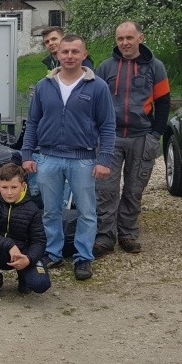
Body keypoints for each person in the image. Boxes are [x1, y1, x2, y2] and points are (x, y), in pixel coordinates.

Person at [21, 34, 115, 281]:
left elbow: (107, 125)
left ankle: (83, 258)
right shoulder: (44, 86)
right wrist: (27, 154)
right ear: (57, 55)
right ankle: (53, 253)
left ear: (84, 55)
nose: (70, 56)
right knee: (50, 210)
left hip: (82, 159)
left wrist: (104, 159)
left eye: (75, 52)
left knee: (86, 211)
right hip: (48, 158)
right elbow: (32, 122)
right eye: (65, 52)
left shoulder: (97, 87)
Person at [94, 21, 171, 256]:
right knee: (105, 190)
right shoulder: (105, 68)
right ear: (116, 41)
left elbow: (164, 102)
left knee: (134, 188)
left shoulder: (155, 67)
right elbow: (93, 101)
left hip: (141, 137)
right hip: (110, 138)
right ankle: (104, 236)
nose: (125, 43)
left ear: (141, 38)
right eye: (120, 39)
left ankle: (127, 234)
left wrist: (155, 135)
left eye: (129, 37)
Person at [0, 163, 51, 299]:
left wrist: (28, 259)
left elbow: (39, 241)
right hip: (1, 251)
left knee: (40, 284)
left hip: (23, 254)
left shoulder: (33, 208)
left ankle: (23, 276)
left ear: (23, 186)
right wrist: (10, 245)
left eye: (14, 187)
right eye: (4, 187)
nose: (9, 192)